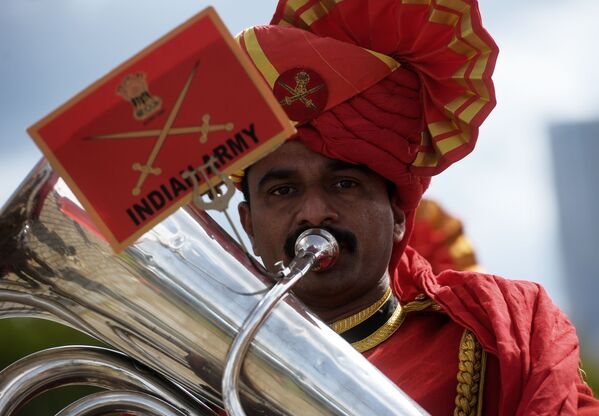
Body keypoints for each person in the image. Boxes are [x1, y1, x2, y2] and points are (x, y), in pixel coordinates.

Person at [232, 0, 599, 414]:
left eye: (345, 184)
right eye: (283, 192)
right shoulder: (197, 362)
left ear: (399, 215)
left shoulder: (497, 337)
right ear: (248, 223)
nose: (314, 213)